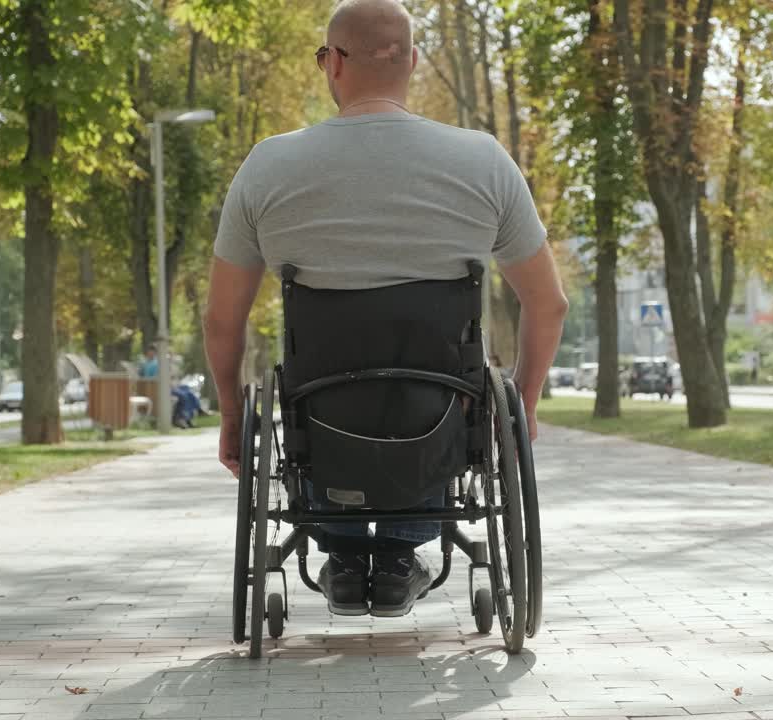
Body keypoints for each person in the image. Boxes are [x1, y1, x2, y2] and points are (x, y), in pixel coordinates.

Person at [202, 0, 567, 618]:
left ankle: (342, 554)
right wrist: (522, 409)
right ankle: (401, 553)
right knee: (449, 397)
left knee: (322, 397)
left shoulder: (269, 166)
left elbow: (221, 320)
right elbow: (549, 304)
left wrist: (234, 413)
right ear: (413, 62)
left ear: (334, 62)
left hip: (321, 419)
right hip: (443, 414)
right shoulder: (483, 162)